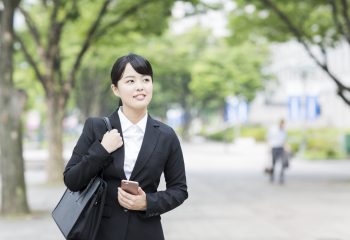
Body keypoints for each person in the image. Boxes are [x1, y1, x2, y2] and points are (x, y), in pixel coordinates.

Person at [63, 53, 188, 240]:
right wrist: (102, 150)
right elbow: (72, 179)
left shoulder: (166, 135)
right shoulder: (96, 127)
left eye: (146, 80)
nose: (140, 87)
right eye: (130, 81)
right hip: (100, 231)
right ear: (115, 89)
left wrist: (147, 202)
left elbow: (179, 190)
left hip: (146, 232)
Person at [267, 118, 288, 184]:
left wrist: (286, 147)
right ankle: (272, 175)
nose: (282, 125)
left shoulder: (284, 130)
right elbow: (269, 138)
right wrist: (268, 147)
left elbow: (284, 140)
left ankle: (281, 177)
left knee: (283, 162)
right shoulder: (273, 129)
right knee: (274, 162)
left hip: (281, 147)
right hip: (274, 147)